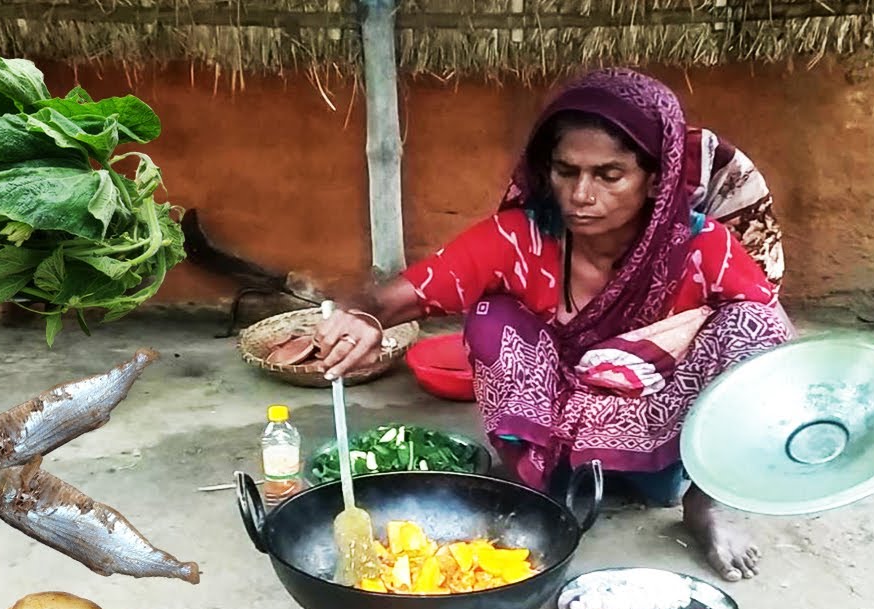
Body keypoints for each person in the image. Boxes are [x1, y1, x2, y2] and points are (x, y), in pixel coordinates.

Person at [313, 68, 794, 582]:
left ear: (656, 178)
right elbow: (397, 296)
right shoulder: (520, 238)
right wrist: (363, 317)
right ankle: (534, 495)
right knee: (492, 317)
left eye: (609, 175)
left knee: (755, 327)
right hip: (549, 442)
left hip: (658, 441)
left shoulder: (702, 248)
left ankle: (705, 506)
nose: (581, 195)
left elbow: (772, 352)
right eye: (566, 172)